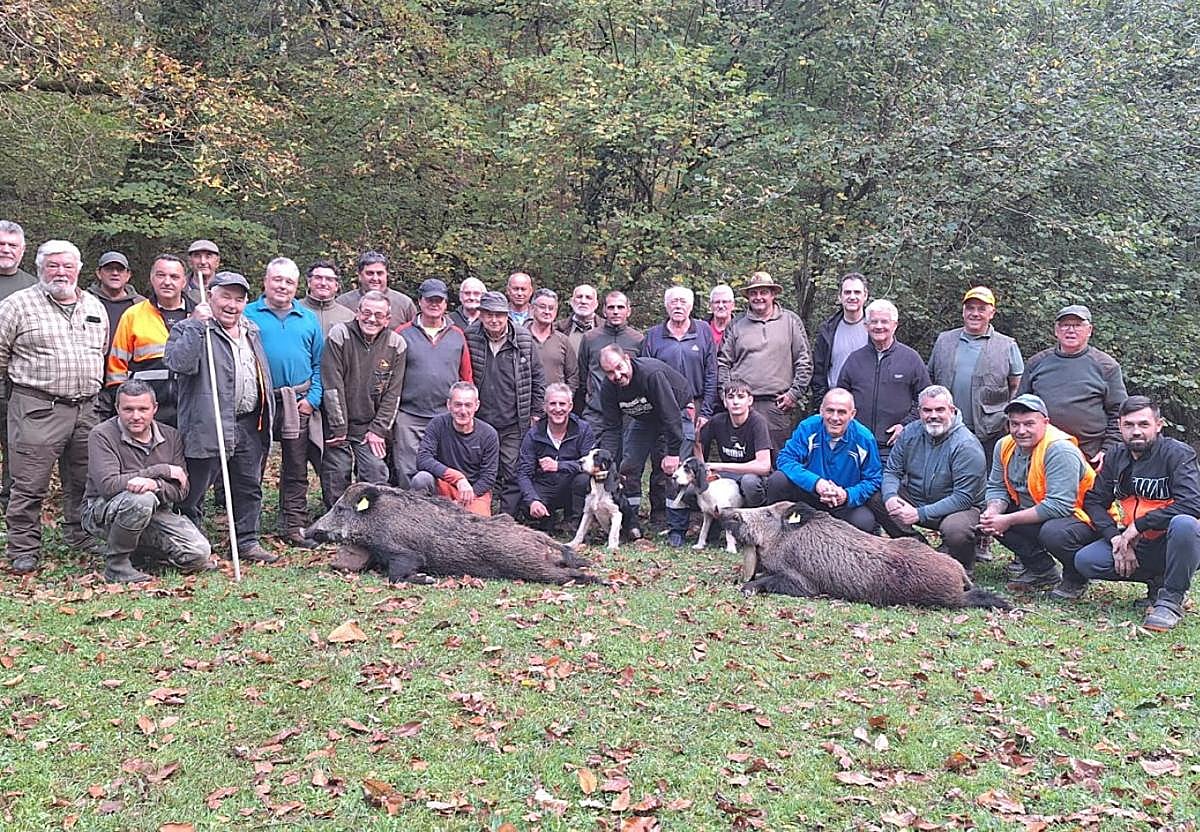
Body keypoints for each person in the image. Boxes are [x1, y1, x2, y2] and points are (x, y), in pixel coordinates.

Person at [0, 240, 109, 572]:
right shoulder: (17, 305)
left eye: (67, 266)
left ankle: (79, 534)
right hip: (37, 406)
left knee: (83, 477)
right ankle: (23, 547)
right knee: (29, 482)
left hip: (87, 409)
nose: (61, 272)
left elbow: (102, 351)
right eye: (53, 266)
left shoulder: (94, 305)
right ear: (39, 268)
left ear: (78, 269)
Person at [1046, 396, 1200, 631]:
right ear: (1120, 426)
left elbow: (1192, 503)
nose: (1136, 431)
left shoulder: (1178, 454)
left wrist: (1139, 526)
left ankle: (1170, 600)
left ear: (1158, 426)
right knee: (1087, 561)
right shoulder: (1116, 456)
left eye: (1143, 424)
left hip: (1175, 542)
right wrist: (1116, 538)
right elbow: (1094, 501)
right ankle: (1156, 582)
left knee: (1185, 524)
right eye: (1129, 425)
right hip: (1135, 541)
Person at [163, 271, 277, 564]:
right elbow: (179, 364)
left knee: (248, 486)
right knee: (196, 488)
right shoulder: (190, 327)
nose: (232, 305)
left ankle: (247, 542)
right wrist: (197, 327)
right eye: (225, 296)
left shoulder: (252, 330)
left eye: (239, 299)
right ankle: (194, 544)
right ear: (209, 296)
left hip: (249, 423)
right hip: (208, 422)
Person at [82, 380, 212, 582]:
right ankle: (117, 565)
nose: (136, 416)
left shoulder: (171, 436)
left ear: (155, 409)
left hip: (156, 510)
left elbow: (181, 490)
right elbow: (108, 486)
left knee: (198, 553)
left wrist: (157, 485)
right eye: (128, 409)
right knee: (141, 499)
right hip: (102, 510)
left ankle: (140, 551)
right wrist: (160, 471)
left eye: (143, 409)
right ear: (117, 408)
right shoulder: (101, 435)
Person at [244, 257, 325, 547]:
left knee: (295, 466)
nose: (282, 286)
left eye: (289, 281)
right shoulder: (247, 314)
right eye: (277, 279)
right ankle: (247, 531)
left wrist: (312, 400)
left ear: (297, 286)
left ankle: (293, 525)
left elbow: (320, 364)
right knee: (251, 466)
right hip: (259, 403)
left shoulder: (308, 319)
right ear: (265, 281)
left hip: (298, 401)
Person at [979, 393, 1094, 591]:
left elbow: (1060, 506)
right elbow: (997, 487)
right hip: (1037, 511)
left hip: (1081, 518)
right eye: (1015, 424)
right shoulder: (1004, 445)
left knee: (1054, 533)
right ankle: (1041, 570)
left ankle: (1076, 577)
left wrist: (1008, 520)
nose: (1021, 431)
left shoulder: (1059, 450)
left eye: (1029, 424)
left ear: (1045, 422)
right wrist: (994, 511)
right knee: (990, 516)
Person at [874, 385, 987, 572]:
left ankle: (963, 566)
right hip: (918, 499)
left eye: (939, 409)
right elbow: (892, 471)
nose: (933, 415)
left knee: (956, 529)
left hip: (960, 509)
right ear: (919, 412)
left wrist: (920, 514)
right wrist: (891, 497)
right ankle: (919, 549)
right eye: (927, 410)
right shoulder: (910, 433)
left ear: (952, 410)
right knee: (877, 495)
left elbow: (963, 498)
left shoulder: (966, 445)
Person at [596, 345, 693, 545]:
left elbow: (671, 416)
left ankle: (676, 528)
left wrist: (673, 453)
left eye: (619, 367)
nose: (617, 375)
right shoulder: (608, 388)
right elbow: (612, 427)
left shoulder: (651, 374)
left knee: (672, 471)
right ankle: (630, 522)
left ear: (627, 358)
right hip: (645, 418)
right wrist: (607, 460)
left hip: (676, 411)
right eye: (610, 372)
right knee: (628, 466)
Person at [640, 285, 719, 525]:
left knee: (690, 461)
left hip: (694, 405)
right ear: (666, 306)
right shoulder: (653, 335)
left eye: (683, 302)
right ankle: (659, 515)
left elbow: (711, 373)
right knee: (662, 459)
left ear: (691, 306)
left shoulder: (703, 331)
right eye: (673, 301)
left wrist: (705, 410)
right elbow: (645, 372)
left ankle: (687, 514)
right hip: (662, 407)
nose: (678, 306)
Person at [750, 388, 881, 532]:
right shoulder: (808, 427)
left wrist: (847, 495)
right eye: (830, 410)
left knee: (864, 522)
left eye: (842, 412)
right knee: (778, 480)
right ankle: (776, 533)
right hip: (809, 495)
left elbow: (873, 479)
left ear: (852, 414)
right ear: (821, 411)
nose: (835, 418)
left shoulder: (864, 438)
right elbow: (785, 459)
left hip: (842, 501)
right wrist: (816, 483)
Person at [321, 291, 407, 504]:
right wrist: (339, 428)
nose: (371, 319)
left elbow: (393, 393)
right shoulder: (340, 335)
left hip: (369, 426)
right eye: (366, 312)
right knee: (338, 472)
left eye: (379, 315)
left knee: (376, 472)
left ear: (387, 319)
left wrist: (378, 429)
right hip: (337, 422)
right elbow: (332, 385)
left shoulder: (396, 344)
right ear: (357, 313)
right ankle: (336, 524)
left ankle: (367, 519)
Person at [465, 291, 545, 515]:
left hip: (513, 419)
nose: (494, 320)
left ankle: (507, 520)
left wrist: (536, 412)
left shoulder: (524, 338)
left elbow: (537, 376)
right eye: (489, 314)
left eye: (499, 315)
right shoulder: (470, 336)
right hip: (479, 420)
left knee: (512, 470)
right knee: (480, 470)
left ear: (507, 315)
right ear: (480, 315)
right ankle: (477, 517)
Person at [1018, 304, 1127, 468]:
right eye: (1065, 325)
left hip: (1089, 454)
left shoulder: (1106, 366)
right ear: (1056, 330)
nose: (1070, 330)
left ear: (1089, 330)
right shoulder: (1037, 363)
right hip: (1041, 451)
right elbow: (1020, 408)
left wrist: (1108, 450)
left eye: (1077, 325)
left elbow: (1119, 412)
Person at [717, 271, 812, 455]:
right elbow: (723, 363)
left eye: (763, 292)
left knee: (778, 461)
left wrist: (794, 393)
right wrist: (725, 395)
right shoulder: (737, 325)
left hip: (776, 406)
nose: (758, 297)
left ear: (773, 294)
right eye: (754, 293)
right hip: (742, 404)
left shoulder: (790, 321)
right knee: (743, 460)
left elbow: (804, 360)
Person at [927, 286, 1023, 464]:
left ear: (992, 312)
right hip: (946, 428)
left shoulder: (1007, 345)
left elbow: (1017, 386)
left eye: (981, 309)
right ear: (963, 312)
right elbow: (930, 380)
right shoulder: (944, 340)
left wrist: (1010, 420)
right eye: (970, 308)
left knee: (985, 481)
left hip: (989, 432)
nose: (975, 313)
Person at [392, 278, 473, 486]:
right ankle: (408, 515)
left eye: (439, 300)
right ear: (420, 301)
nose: (434, 304)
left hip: (446, 416)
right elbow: (391, 377)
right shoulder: (402, 333)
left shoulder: (457, 335)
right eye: (430, 300)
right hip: (410, 416)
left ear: (446, 304)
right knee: (408, 471)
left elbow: (466, 376)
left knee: (445, 472)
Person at [106, 254, 195, 427]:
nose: (167, 282)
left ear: (184, 282)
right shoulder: (134, 315)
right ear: (152, 278)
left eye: (174, 277)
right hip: (145, 413)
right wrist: (126, 405)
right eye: (161, 275)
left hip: (189, 409)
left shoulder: (199, 316)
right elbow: (116, 368)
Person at [836, 299, 930, 463]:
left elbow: (926, 400)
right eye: (874, 321)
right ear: (866, 326)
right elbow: (840, 398)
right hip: (855, 443)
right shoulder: (854, 359)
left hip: (894, 446)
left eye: (884, 321)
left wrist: (905, 425)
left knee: (886, 487)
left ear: (895, 325)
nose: (879, 326)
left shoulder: (910, 359)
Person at [0, 220, 42, 513]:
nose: (6, 249)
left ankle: (7, 501)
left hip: (13, 381)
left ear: (23, 250)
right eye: (1, 244)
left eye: (12, 245)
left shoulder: (33, 287)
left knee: (12, 443)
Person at [412, 382, 499, 517]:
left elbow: (488, 477)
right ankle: (421, 521)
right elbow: (423, 459)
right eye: (458, 404)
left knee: (478, 530)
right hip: (444, 486)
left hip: (474, 492)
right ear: (449, 405)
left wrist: (464, 498)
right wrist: (458, 478)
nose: (463, 411)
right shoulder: (437, 425)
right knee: (421, 479)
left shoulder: (489, 434)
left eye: (468, 405)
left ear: (477, 406)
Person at [515, 383, 594, 530]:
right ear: (545, 407)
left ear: (570, 406)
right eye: (552, 404)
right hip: (546, 485)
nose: (558, 409)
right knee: (527, 508)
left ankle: (574, 521)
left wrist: (559, 465)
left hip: (572, 485)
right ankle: (548, 517)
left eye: (562, 404)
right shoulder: (533, 434)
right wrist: (533, 500)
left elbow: (590, 465)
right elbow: (523, 473)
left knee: (583, 480)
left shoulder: (583, 429)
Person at [694, 377, 772, 500]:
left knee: (749, 483)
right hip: (726, 475)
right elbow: (697, 442)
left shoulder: (758, 421)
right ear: (725, 402)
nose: (735, 402)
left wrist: (721, 466)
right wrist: (703, 468)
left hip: (753, 476)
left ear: (750, 400)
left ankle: (752, 514)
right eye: (730, 397)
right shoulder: (718, 420)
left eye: (741, 397)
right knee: (692, 489)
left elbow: (764, 466)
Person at [576, 290, 643, 429]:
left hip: (629, 414)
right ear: (604, 311)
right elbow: (583, 375)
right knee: (593, 451)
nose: (616, 312)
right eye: (611, 307)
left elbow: (641, 375)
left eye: (620, 307)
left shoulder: (638, 339)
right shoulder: (590, 338)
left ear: (628, 311)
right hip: (596, 414)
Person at [810, 272, 869, 406]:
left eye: (857, 292)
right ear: (840, 296)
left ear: (865, 296)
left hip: (867, 404)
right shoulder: (827, 330)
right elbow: (818, 372)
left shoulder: (877, 329)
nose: (852, 297)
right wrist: (822, 402)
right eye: (847, 292)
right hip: (836, 404)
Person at [336, 251, 417, 325]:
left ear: (386, 275)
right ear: (360, 276)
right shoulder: (343, 303)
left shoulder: (404, 304)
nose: (375, 278)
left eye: (379, 273)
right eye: (370, 273)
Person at [527, 288, 579, 392]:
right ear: (532, 309)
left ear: (556, 312)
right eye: (542, 307)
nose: (547, 312)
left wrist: (566, 398)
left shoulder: (563, 340)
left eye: (551, 308)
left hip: (556, 405)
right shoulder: (520, 338)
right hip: (526, 404)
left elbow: (573, 375)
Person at [299, 260, 355, 335]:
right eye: (318, 278)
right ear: (309, 282)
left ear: (336, 286)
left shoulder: (349, 317)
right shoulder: (294, 310)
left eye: (329, 279)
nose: (323, 283)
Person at [557, 283, 599, 354]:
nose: (583, 301)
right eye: (579, 297)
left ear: (596, 304)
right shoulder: (558, 329)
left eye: (588, 298)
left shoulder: (607, 329)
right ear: (572, 302)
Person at [185, 239, 220, 305]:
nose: (203, 262)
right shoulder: (179, 288)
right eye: (197, 256)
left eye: (208, 256)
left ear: (217, 262)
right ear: (190, 261)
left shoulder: (226, 288)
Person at [705, 284, 736, 349]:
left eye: (724, 302)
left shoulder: (739, 328)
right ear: (710, 305)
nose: (721, 306)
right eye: (717, 302)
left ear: (733, 305)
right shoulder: (701, 329)